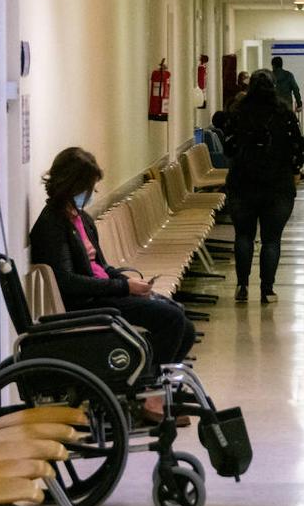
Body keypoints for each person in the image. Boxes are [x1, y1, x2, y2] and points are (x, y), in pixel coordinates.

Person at [30, 147, 196, 416]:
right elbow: (68, 282)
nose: (89, 194)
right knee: (172, 320)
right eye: (87, 187)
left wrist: (126, 281)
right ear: (70, 185)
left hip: (106, 291)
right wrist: (123, 287)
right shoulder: (51, 226)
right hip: (89, 303)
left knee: (182, 322)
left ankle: (151, 387)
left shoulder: (81, 219)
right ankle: (150, 393)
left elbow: (102, 266)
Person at [222, 69, 304, 305]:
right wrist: (295, 171)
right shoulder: (284, 115)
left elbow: (228, 148)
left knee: (244, 236)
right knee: (271, 239)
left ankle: (242, 286)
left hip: (242, 184)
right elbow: (298, 147)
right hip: (277, 186)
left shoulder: (237, 113)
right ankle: (267, 290)